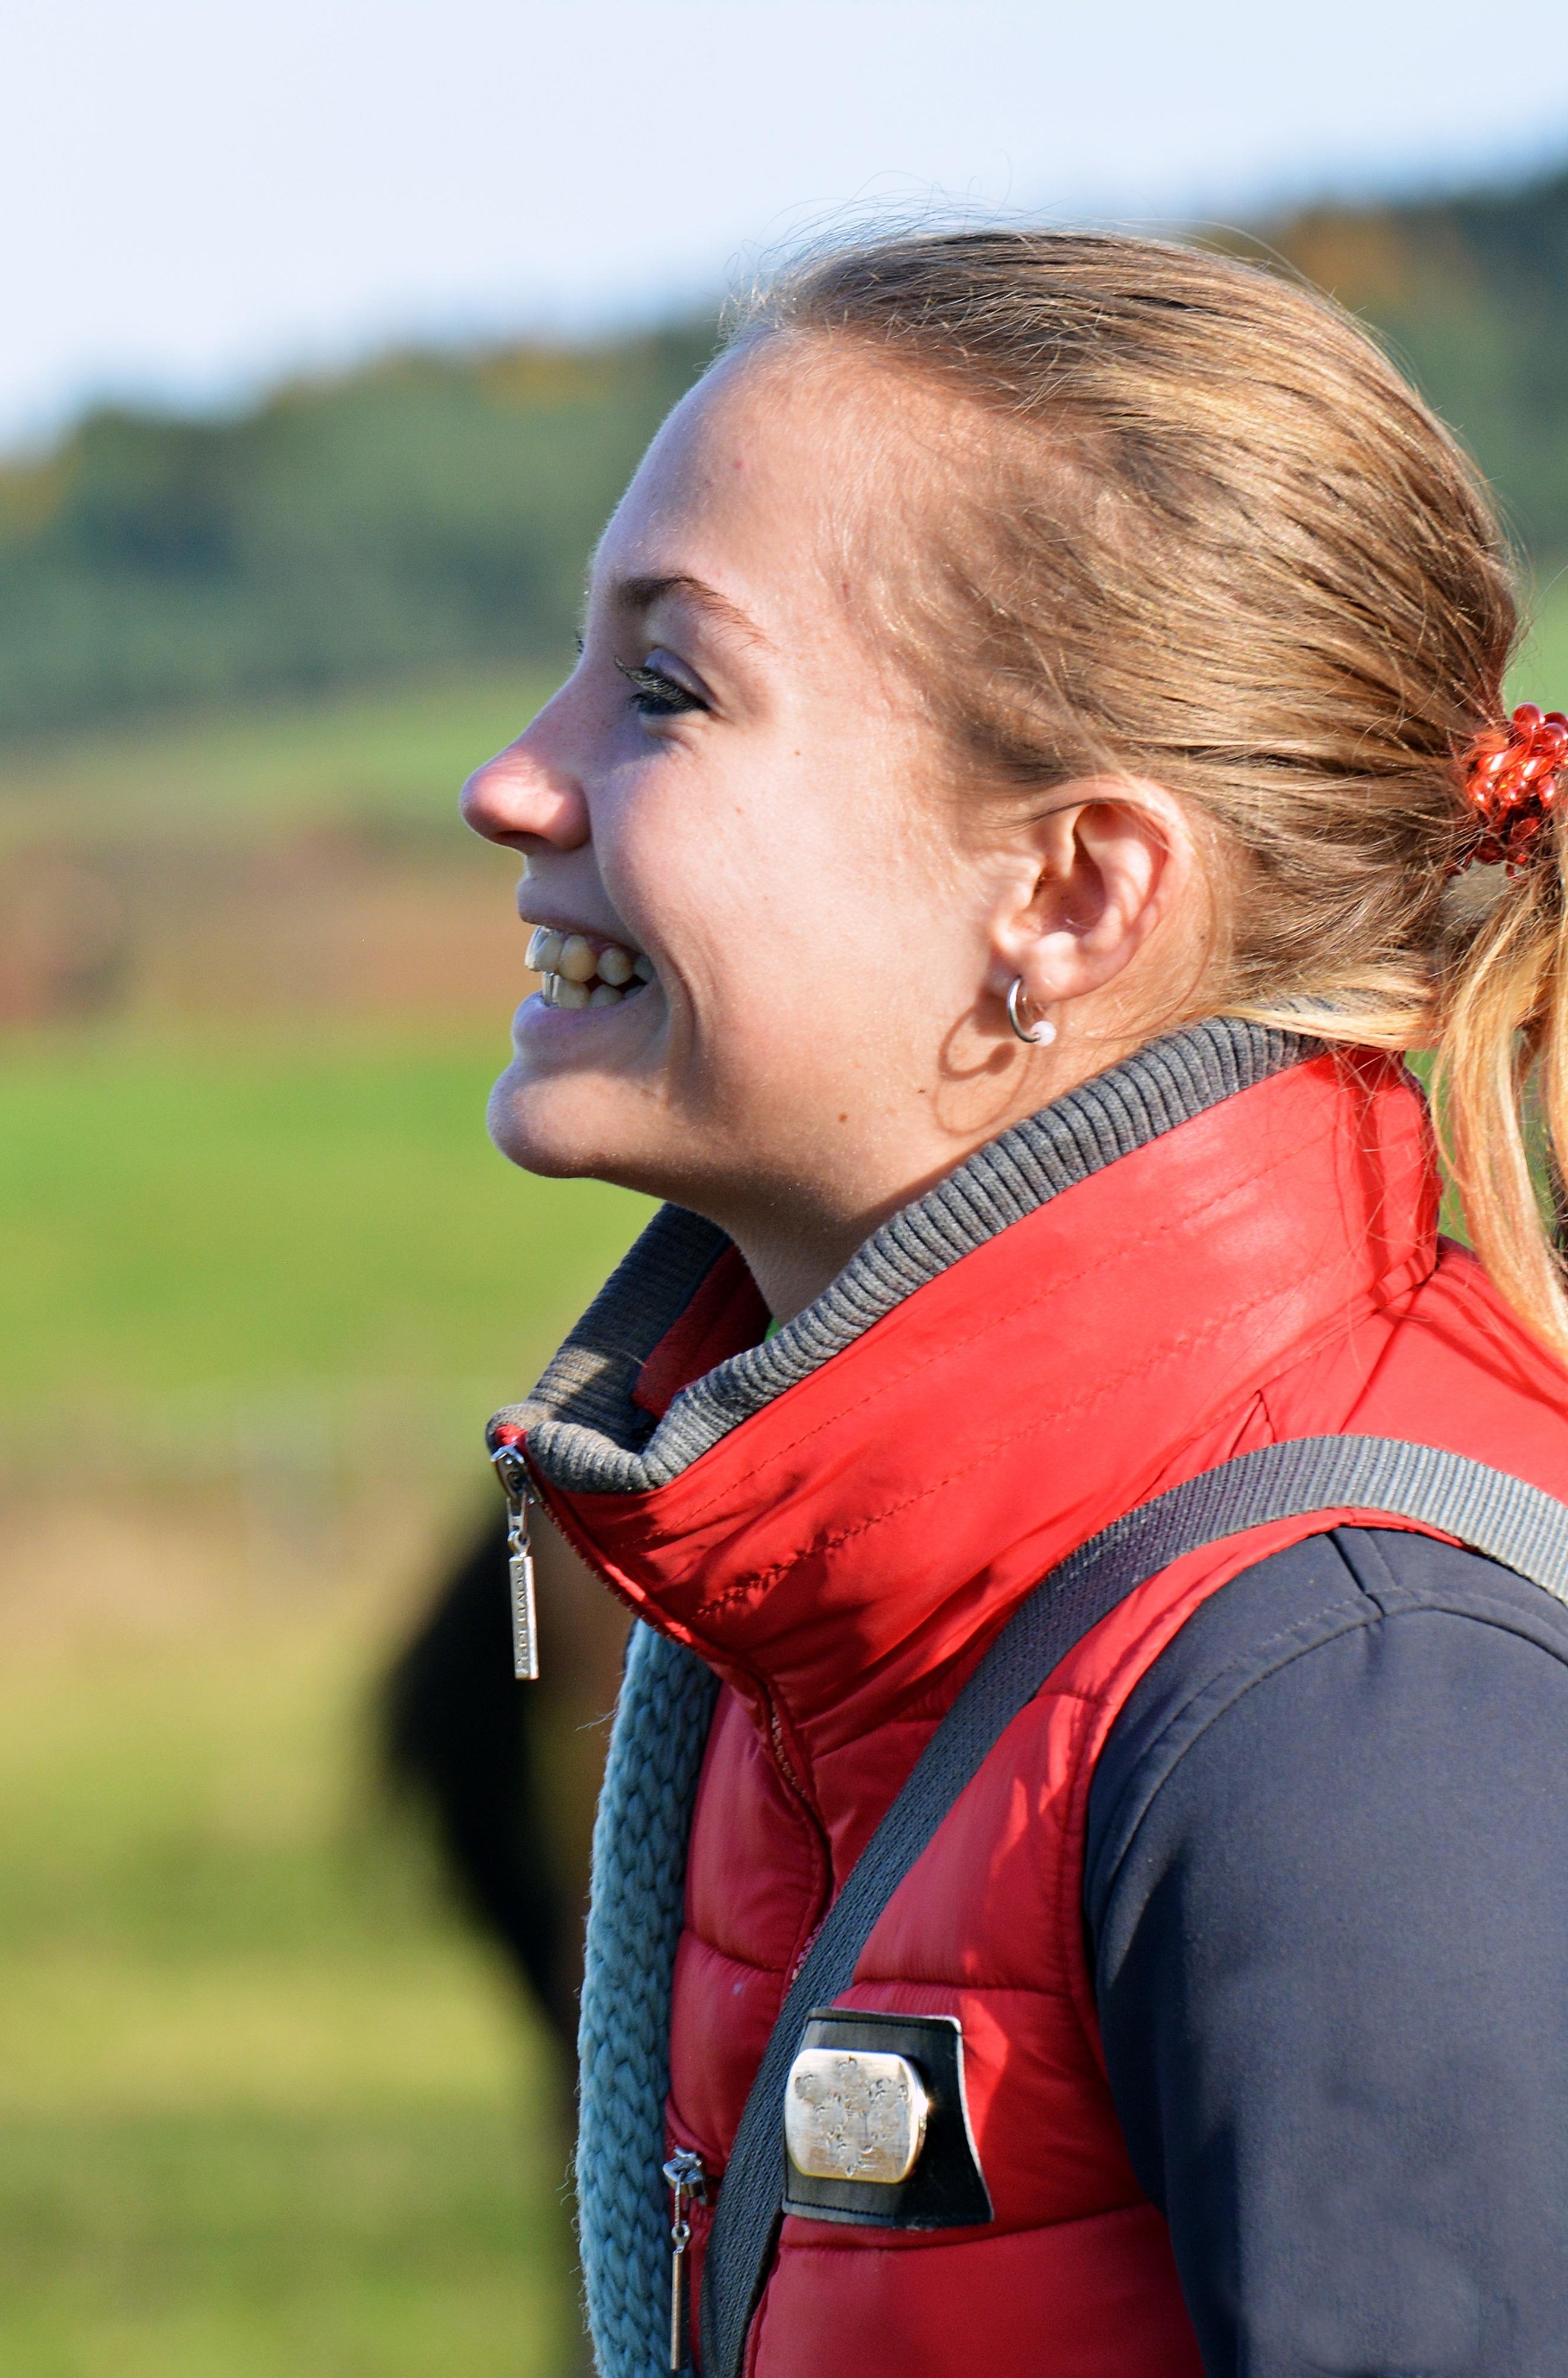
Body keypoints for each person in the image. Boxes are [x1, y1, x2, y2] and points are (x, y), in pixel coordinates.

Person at [462, 228, 1568, 2378]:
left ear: (1071, 893)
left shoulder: (1355, 1703)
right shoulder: (821, 1625)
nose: (513, 776)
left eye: (670, 686)